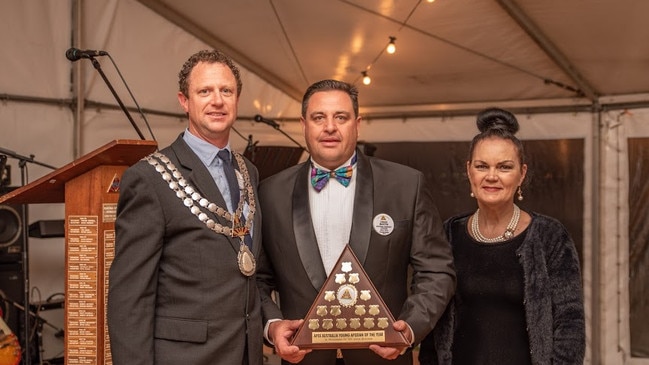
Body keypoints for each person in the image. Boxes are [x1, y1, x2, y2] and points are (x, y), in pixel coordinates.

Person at [256, 79, 456, 365]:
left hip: (383, 358)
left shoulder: (405, 185)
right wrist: (272, 325)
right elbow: (257, 280)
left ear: (357, 123)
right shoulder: (270, 192)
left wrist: (408, 329)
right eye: (318, 117)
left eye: (341, 117)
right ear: (303, 125)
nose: (329, 127)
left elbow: (437, 271)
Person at [107, 49, 263, 365]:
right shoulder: (149, 177)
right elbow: (129, 298)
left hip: (246, 354)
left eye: (226, 91)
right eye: (204, 91)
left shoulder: (249, 171)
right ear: (184, 101)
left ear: (237, 99)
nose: (217, 101)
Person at [418, 107, 586, 365]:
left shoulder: (549, 236)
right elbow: (434, 319)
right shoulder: (449, 233)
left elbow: (570, 324)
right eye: (482, 166)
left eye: (504, 167)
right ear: (469, 171)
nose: (492, 176)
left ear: (522, 173)